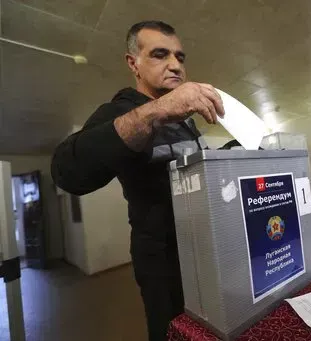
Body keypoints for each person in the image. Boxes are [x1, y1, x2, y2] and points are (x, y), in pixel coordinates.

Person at [51, 21, 225, 341]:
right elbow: (66, 172)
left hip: (203, 248)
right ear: (134, 63)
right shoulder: (120, 111)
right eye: (160, 55)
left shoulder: (186, 123)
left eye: (180, 57)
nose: (175, 65)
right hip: (161, 261)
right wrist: (156, 111)